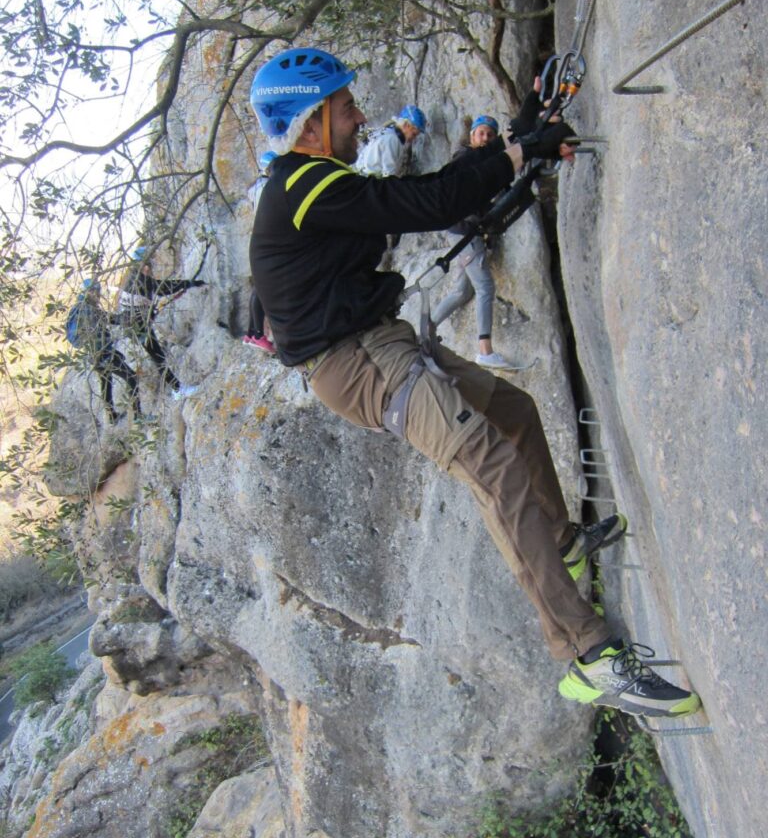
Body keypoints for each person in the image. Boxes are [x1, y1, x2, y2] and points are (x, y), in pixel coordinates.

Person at [247, 45, 701, 720]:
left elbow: (431, 188)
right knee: (493, 469)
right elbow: (429, 200)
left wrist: (517, 132)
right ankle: (587, 655)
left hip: (380, 343)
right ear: (310, 124)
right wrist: (520, 154)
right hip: (360, 364)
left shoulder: (313, 184)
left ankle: (563, 548)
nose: (359, 115)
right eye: (344, 107)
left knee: (512, 412)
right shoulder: (303, 187)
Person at [432, 114, 519, 370]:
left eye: (490, 135)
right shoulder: (465, 159)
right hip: (464, 231)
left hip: (461, 231)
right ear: (472, 137)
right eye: (481, 133)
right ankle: (485, 350)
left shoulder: (485, 163)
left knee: (463, 291)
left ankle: (425, 330)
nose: (485, 138)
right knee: (485, 287)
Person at [118, 247, 205, 397]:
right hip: (139, 327)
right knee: (158, 358)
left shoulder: (136, 278)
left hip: (137, 326)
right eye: (149, 262)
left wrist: (186, 284)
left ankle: (177, 388)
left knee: (158, 356)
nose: (150, 266)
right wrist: (188, 284)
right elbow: (163, 288)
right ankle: (178, 389)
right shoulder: (140, 280)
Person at [66, 279, 140, 423]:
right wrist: (128, 317)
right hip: (104, 354)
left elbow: (107, 320)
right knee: (131, 377)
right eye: (96, 292)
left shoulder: (81, 309)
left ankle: (112, 417)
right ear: (90, 292)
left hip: (94, 356)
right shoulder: (88, 310)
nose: (98, 296)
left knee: (106, 383)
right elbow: (110, 319)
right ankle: (138, 416)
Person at [243, 150, 278, 354]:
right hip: (271, 239)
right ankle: (257, 334)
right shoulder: (266, 186)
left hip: (261, 239)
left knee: (259, 286)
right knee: (263, 287)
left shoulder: (257, 187)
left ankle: (253, 333)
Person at [356, 103, 427, 179]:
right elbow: (389, 175)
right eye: (414, 134)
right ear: (406, 125)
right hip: (368, 179)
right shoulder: (393, 140)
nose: (414, 138)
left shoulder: (388, 132)